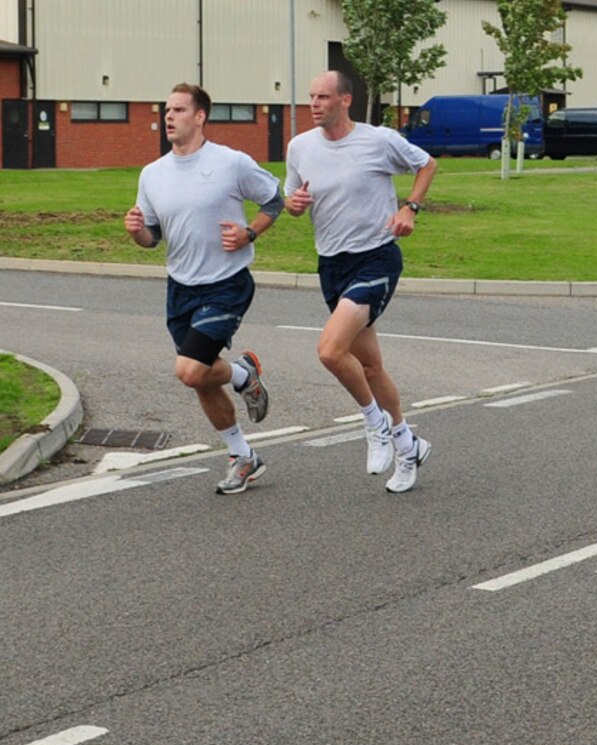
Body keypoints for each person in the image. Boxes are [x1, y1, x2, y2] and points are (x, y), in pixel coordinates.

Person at [283, 70, 439, 493]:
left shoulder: (378, 140)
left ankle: (375, 425)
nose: (314, 104)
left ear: (345, 100)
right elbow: (293, 199)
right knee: (370, 366)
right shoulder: (299, 146)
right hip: (331, 265)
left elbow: (427, 163)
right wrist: (293, 203)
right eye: (311, 96)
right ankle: (408, 444)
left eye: (323, 97)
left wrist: (409, 208)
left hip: (376, 259)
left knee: (330, 352)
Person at [124, 83, 280, 494]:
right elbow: (153, 237)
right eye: (165, 110)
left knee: (189, 369)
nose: (168, 117)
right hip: (181, 288)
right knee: (201, 380)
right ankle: (244, 457)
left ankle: (244, 376)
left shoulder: (230, 163)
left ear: (200, 116)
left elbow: (274, 200)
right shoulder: (152, 173)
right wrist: (137, 232)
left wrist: (249, 232)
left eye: (177, 109)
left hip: (226, 284)